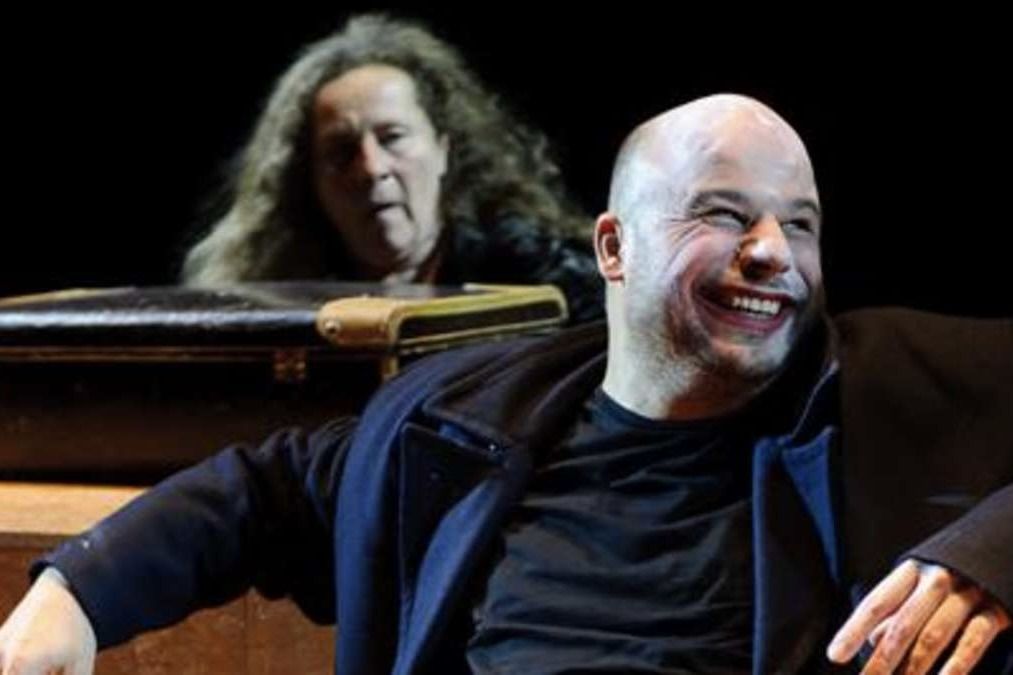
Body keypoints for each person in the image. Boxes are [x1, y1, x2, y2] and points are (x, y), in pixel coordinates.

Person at [2, 95, 1010, 674]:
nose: (771, 252)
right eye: (721, 213)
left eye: (798, 223)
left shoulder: (899, 386)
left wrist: (993, 549)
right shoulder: (464, 421)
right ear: (611, 247)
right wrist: (73, 593)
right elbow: (262, 491)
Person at [180, 13, 603, 323]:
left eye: (392, 137)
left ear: (443, 152)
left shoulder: (537, 275)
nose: (371, 169)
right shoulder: (279, 299)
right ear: (309, 182)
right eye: (342, 151)